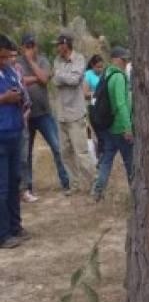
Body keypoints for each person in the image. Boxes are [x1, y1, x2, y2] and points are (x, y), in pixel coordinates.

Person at [17, 34, 71, 203]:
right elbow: (20, 81)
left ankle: (66, 182)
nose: (31, 47)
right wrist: (35, 78)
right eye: (27, 45)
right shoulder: (17, 62)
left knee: (57, 147)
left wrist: (31, 64)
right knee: (26, 154)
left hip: (44, 113)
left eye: (33, 44)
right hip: (26, 116)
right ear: (22, 46)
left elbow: (44, 79)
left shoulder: (42, 60)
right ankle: (28, 188)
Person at [52, 34, 94, 191]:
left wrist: (60, 75)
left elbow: (75, 80)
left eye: (58, 44)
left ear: (65, 45)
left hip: (76, 113)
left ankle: (94, 184)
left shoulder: (79, 59)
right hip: (62, 113)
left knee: (81, 152)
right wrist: (63, 77)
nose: (56, 47)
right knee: (65, 153)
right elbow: (55, 81)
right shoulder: (57, 60)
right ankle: (74, 184)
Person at [0, 34, 31, 248]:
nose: (8, 58)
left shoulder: (10, 71)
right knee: (1, 186)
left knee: (13, 184)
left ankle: (15, 226)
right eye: (4, 54)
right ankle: (3, 234)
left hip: (15, 133)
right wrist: (3, 99)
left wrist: (19, 96)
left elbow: (21, 90)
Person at [91, 47, 133, 200]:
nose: (125, 62)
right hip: (120, 129)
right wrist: (128, 127)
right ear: (116, 59)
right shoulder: (119, 77)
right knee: (130, 163)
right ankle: (136, 195)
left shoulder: (106, 73)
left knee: (106, 161)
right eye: (124, 59)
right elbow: (121, 104)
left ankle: (97, 191)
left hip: (108, 127)